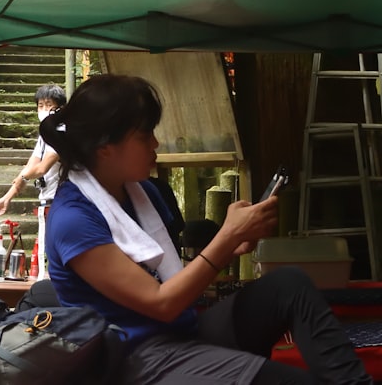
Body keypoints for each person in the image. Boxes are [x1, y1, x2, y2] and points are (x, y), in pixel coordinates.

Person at [40, 74, 371, 385]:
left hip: (180, 330)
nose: (156, 143)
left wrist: (234, 240)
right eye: (144, 135)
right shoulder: (73, 219)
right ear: (104, 147)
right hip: (134, 360)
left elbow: (171, 277)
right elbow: (161, 301)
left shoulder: (144, 193)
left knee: (290, 285)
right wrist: (225, 239)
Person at [0, 83, 66, 280]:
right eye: (40, 105)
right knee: (44, 252)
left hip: (62, 201)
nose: (43, 110)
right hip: (48, 200)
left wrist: (24, 177)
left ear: (60, 107)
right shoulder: (45, 134)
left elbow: (41, 168)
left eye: (48, 105)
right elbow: (30, 166)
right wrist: (8, 196)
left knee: (52, 254)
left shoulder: (61, 130)